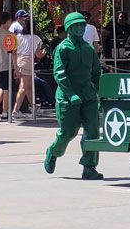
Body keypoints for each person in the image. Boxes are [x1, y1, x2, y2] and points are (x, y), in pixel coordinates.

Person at [44, 12, 104, 180]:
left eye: (82, 25)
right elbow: (60, 73)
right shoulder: (63, 48)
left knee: (92, 132)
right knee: (68, 132)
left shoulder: (89, 48)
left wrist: (101, 95)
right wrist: (71, 94)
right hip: (67, 98)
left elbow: (96, 73)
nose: (80, 28)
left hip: (88, 96)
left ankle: (89, 166)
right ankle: (53, 152)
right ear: (69, 28)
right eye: (76, 25)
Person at [12, 18, 43, 118]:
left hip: (19, 60)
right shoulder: (36, 38)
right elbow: (38, 54)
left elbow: (14, 52)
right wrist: (43, 54)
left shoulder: (19, 37)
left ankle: (33, 107)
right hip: (28, 62)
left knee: (28, 87)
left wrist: (15, 68)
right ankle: (16, 110)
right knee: (24, 87)